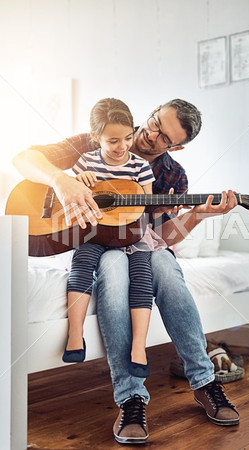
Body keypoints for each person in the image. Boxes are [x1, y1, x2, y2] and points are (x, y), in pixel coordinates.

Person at [14, 99, 239, 444]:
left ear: (176, 146)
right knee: (113, 268)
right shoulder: (100, 138)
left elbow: (160, 238)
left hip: (141, 246)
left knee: (166, 265)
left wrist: (197, 216)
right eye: (153, 123)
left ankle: (205, 382)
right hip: (95, 244)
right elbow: (23, 159)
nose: (149, 136)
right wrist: (62, 180)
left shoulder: (172, 176)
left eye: (164, 137)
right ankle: (131, 397)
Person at [62, 98, 167, 379]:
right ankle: (75, 336)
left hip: (132, 236)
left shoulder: (139, 167)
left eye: (128, 138)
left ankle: (139, 349)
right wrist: (78, 179)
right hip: (95, 233)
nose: (122, 146)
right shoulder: (86, 161)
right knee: (81, 263)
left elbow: (142, 206)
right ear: (96, 138)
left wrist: (159, 203)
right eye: (113, 141)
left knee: (142, 277)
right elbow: (71, 196)